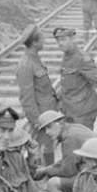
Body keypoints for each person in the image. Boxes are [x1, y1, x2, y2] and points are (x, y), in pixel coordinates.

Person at [32, 110, 97, 192]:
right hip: (94, 171)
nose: (47, 132)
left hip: (94, 177)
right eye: (45, 129)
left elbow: (67, 170)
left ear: (60, 123)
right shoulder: (73, 129)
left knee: (53, 183)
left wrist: (45, 171)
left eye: (49, 127)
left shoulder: (70, 138)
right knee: (59, 179)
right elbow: (67, 160)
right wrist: (47, 169)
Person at [53, 27, 97, 130]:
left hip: (83, 112)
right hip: (71, 110)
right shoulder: (66, 56)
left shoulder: (82, 58)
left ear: (72, 39)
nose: (60, 43)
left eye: (63, 40)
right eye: (58, 40)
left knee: (83, 138)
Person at [15, 24, 59, 165]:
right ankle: (40, 174)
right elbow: (27, 100)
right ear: (35, 42)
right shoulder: (25, 65)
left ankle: (49, 172)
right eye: (42, 38)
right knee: (38, 151)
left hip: (47, 115)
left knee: (48, 147)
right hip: (40, 118)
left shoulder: (35, 59)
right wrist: (38, 122)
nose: (44, 41)